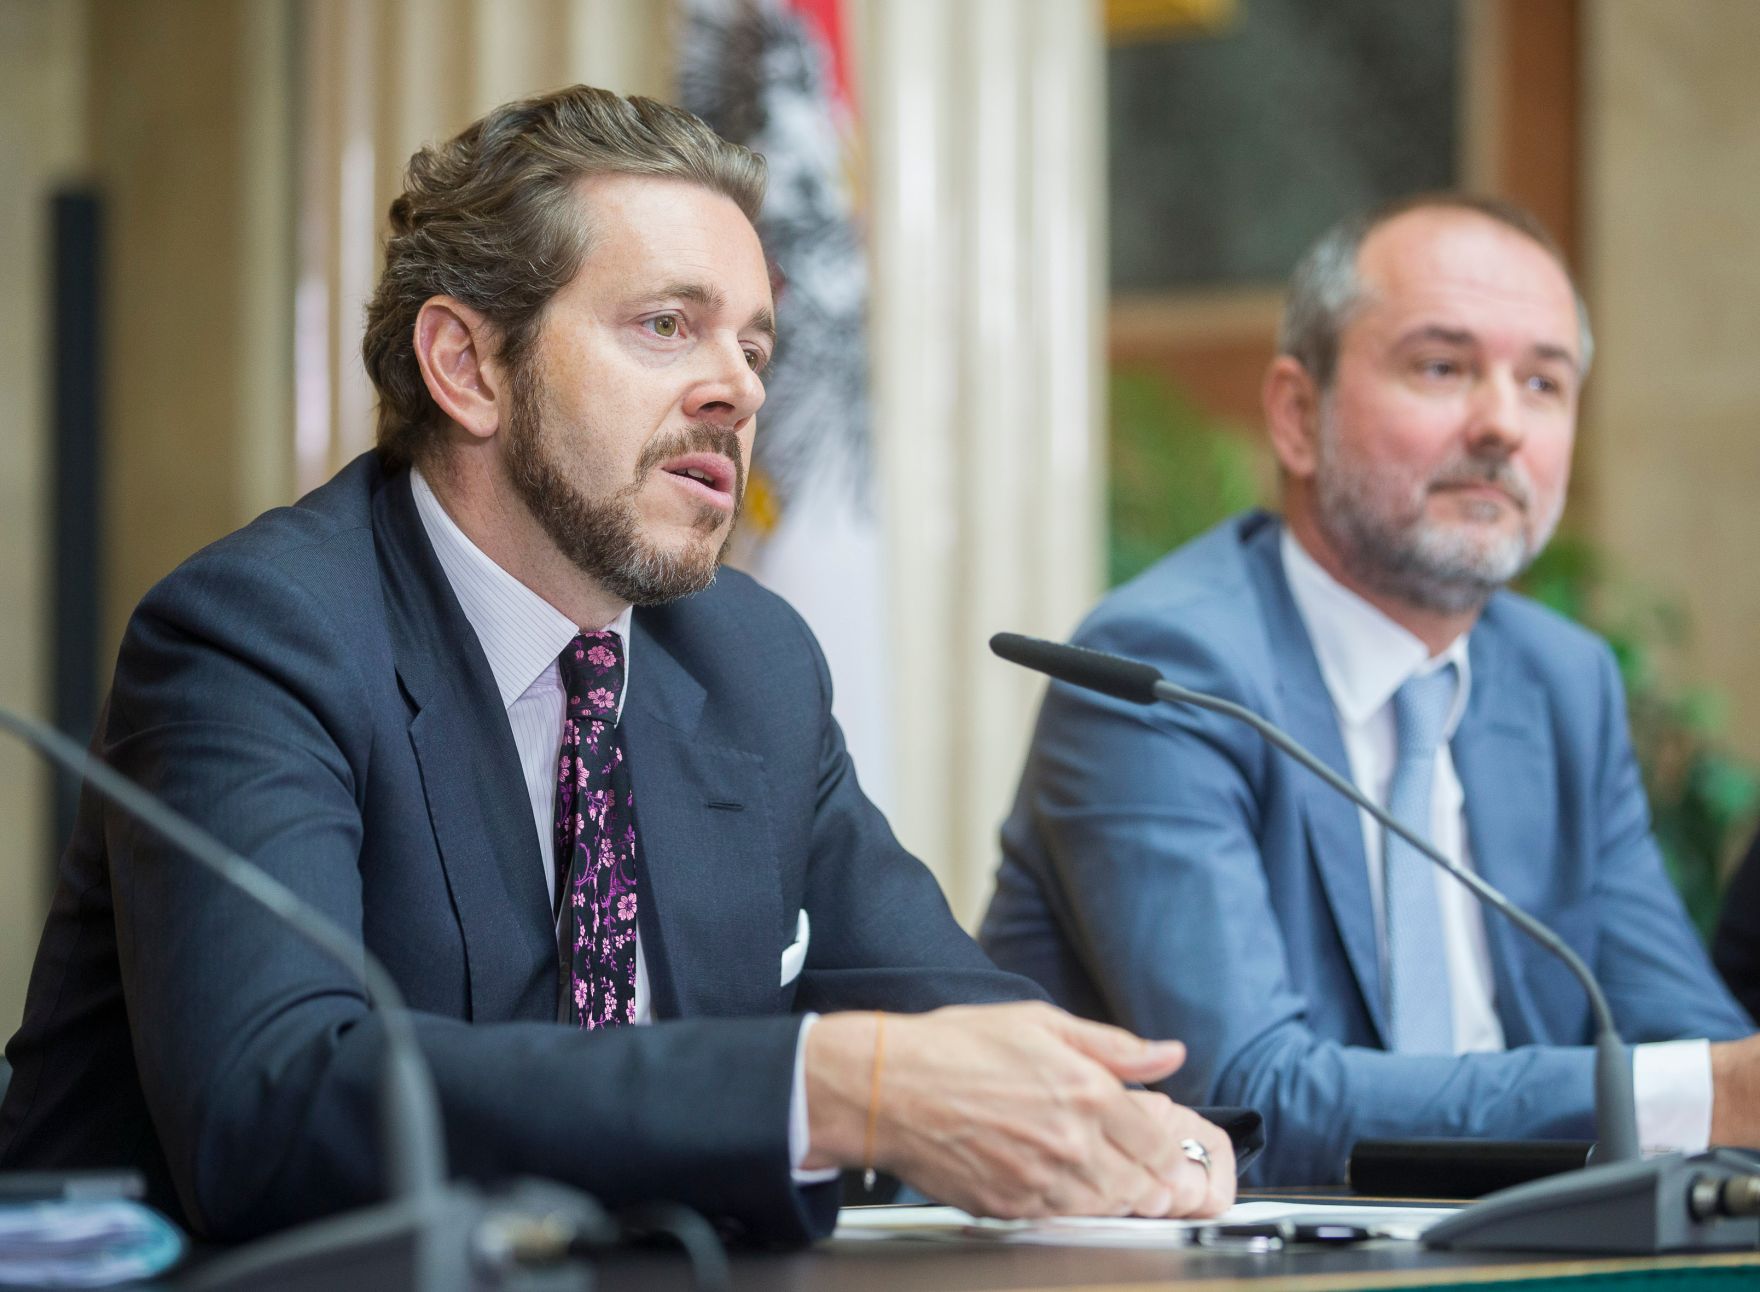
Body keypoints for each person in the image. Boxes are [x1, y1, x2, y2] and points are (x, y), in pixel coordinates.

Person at [0, 85, 1238, 1243]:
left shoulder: (747, 658)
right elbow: (273, 1101)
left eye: (755, 348)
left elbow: (934, 1008)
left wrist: (1108, 1115)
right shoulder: (259, 633)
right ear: (467, 365)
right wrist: (820, 1086)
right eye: (667, 326)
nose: (735, 390)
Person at [979, 193, 1760, 1185]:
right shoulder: (1167, 668)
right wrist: (1699, 1095)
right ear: (1295, 417)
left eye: (1542, 382)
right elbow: (1248, 1096)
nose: (1500, 425)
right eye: (1440, 367)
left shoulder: (1563, 682)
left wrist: (1714, 1090)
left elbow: (1698, 1043)